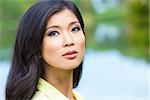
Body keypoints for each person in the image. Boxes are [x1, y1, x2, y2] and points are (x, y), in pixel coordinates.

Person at [5, 0, 85, 100]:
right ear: (35, 46)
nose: (69, 41)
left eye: (74, 29)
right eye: (54, 33)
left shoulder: (77, 97)